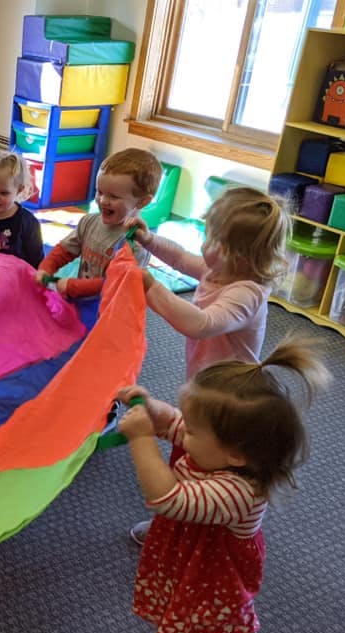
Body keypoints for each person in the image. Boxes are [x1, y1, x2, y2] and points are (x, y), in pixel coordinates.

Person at [114, 338, 330, 633]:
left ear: (237, 454)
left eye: (194, 430)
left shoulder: (239, 492)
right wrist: (153, 410)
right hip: (190, 578)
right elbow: (176, 424)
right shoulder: (218, 452)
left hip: (213, 598)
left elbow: (168, 499)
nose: (184, 432)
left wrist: (142, 439)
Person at [126, 185, 291, 545]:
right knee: (191, 446)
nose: (205, 245)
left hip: (230, 396)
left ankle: (189, 517)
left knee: (210, 455)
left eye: (215, 240)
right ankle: (178, 519)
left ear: (242, 256)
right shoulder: (218, 271)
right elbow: (181, 258)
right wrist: (150, 241)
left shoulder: (246, 293)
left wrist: (152, 288)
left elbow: (200, 324)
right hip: (206, 383)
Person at [34, 147, 161, 297]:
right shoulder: (89, 222)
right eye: (99, 192)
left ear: (142, 201)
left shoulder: (137, 243)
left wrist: (72, 287)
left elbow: (114, 283)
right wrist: (46, 268)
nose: (103, 201)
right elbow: (65, 251)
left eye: (113, 196)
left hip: (112, 307)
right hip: (83, 301)